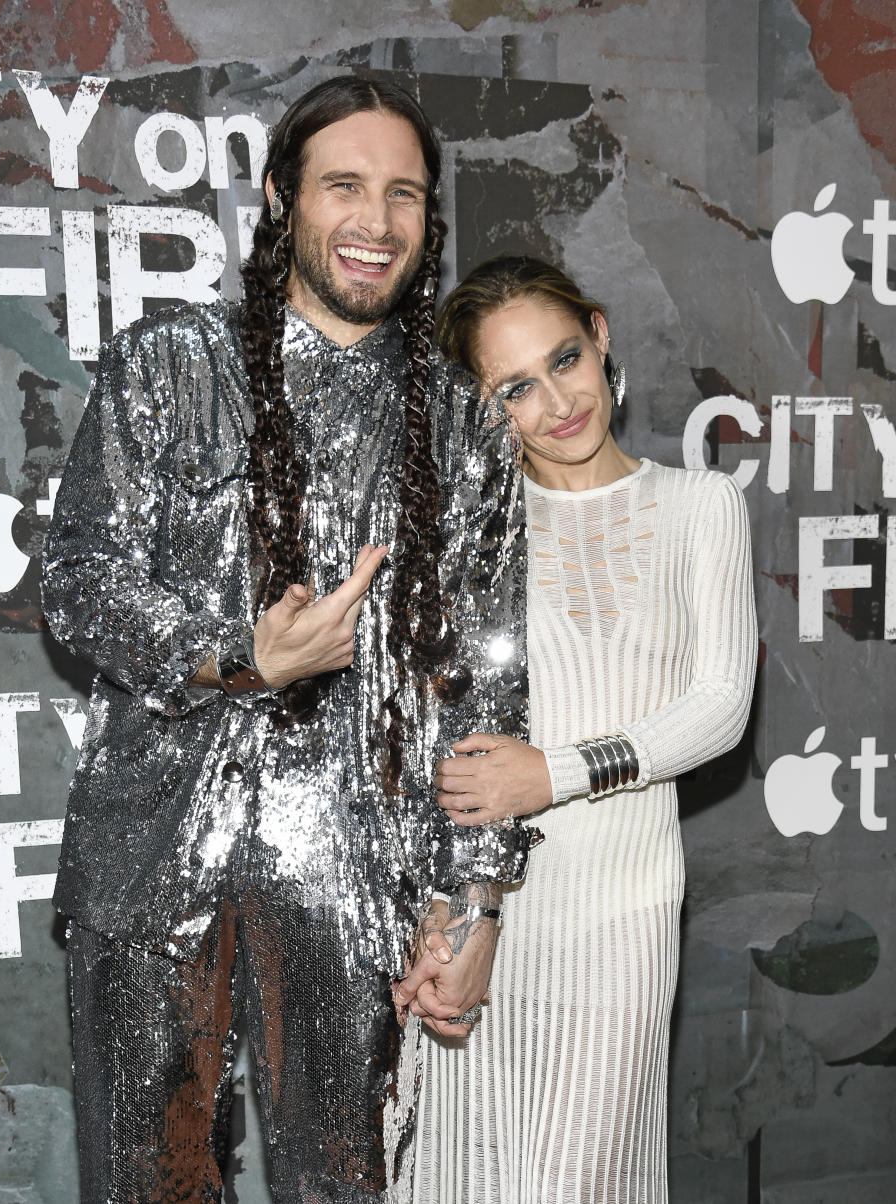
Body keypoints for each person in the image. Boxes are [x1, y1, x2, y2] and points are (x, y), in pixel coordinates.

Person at [41, 79, 537, 1204]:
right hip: (149, 853)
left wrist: (474, 901)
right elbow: (79, 579)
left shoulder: (461, 422)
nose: (376, 221)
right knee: (146, 1183)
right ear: (281, 199)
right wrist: (239, 656)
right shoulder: (169, 365)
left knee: (341, 1185)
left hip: (352, 866)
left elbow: (484, 689)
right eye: (345, 186)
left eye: (403, 193)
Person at [400, 256, 757, 1203]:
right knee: (457, 1174)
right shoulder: (469, 530)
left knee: (577, 1180)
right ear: (481, 406)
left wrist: (552, 774)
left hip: (620, 912)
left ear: (600, 335)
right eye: (516, 386)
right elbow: (436, 741)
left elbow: (720, 706)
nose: (558, 401)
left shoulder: (699, 506)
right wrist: (448, 912)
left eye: (565, 359)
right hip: (481, 913)